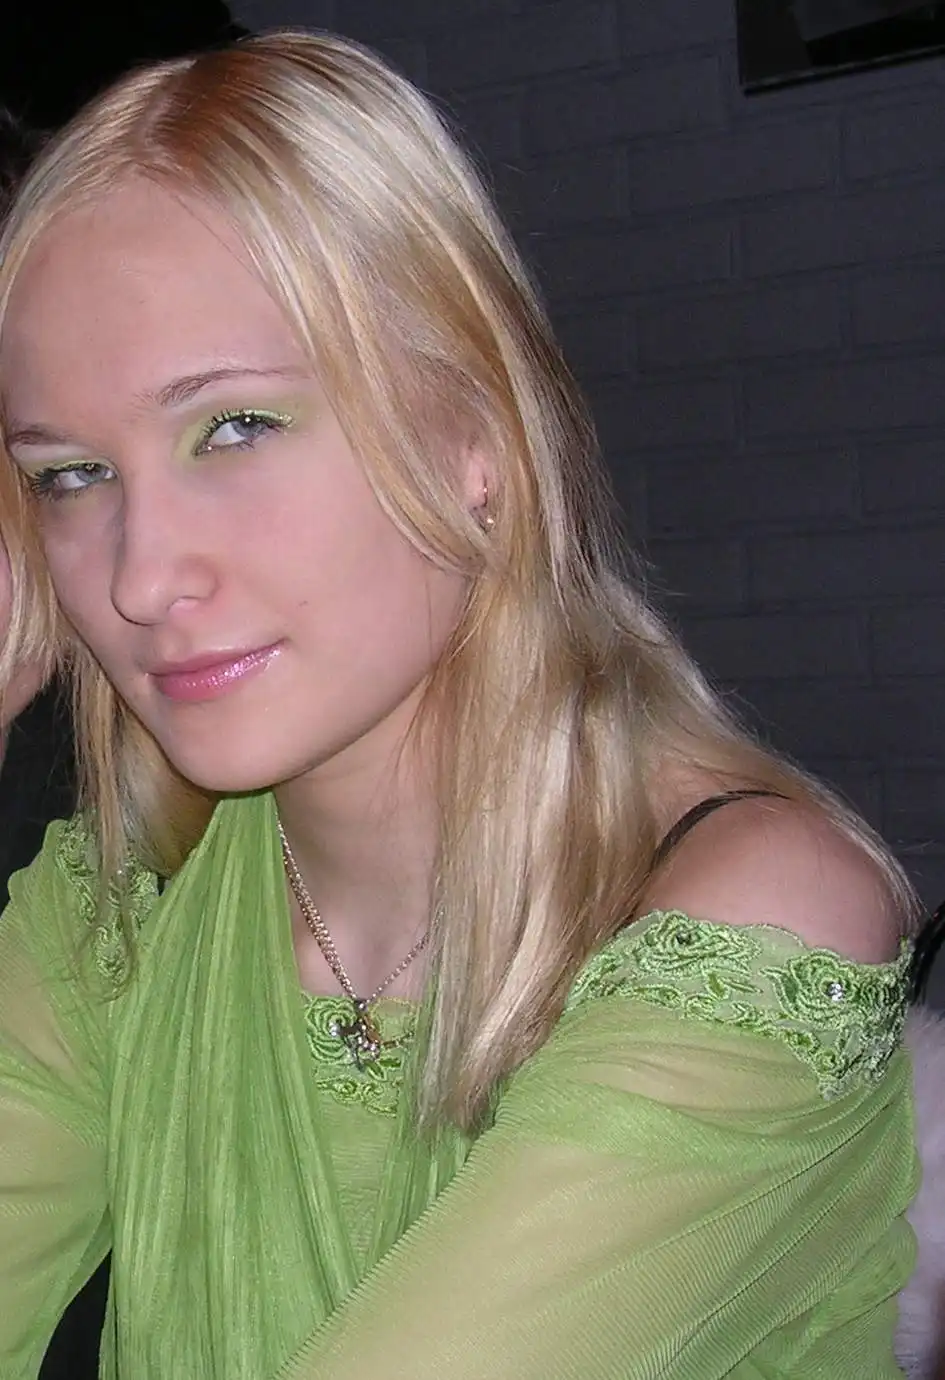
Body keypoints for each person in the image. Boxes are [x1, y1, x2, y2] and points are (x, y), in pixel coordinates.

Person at [0, 31, 920, 1379]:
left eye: (236, 428)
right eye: (72, 475)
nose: (141, 578)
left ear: (473, 435)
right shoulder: (122, 910)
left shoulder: (750, 917)